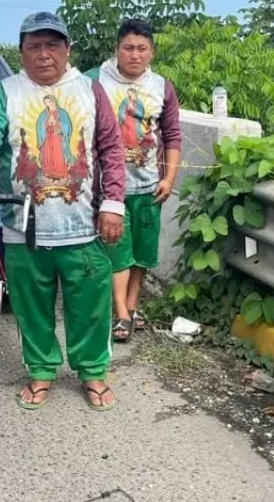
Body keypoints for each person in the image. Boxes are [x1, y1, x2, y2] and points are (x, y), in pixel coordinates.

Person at [0, 12, 126, 411]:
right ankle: (41, 369)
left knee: (89, 305)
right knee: (32, 306)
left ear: (68, 50)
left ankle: (93, 371)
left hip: (83, 224)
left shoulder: (90, 90)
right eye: (34, 46)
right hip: (24, 226)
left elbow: (111, 149)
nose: (44, 54)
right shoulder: (7, 91)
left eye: (53, 45)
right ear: (22, 53)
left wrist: (114, 204)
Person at [86, 18, 182, 342]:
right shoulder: (95, 81)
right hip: (111, 188)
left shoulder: (162, 87)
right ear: (117, 49)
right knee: (118, 251)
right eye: (128, 48)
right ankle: (121, 314)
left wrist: (169, 178)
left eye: (142, 49)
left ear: (151, 52)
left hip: (148, 185)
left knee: (142, 253)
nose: (135, 55)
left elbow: (172, 136)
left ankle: (132, 305)